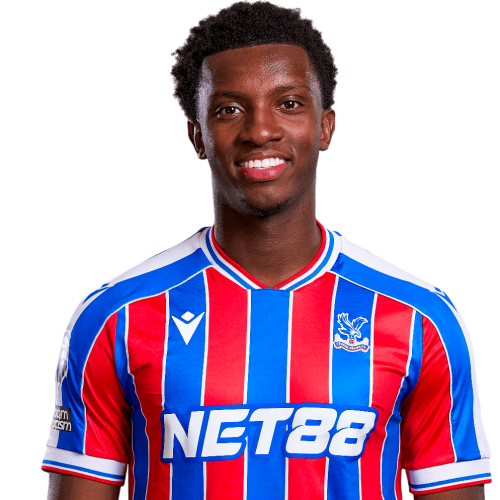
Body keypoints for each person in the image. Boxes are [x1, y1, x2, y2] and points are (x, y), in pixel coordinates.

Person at [42, 2, 491, 499]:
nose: (259, 131)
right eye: (229, 110)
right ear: (197, 136)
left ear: (325, 127)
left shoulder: (420, 317)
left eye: (289, 104)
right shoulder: (115, 316)